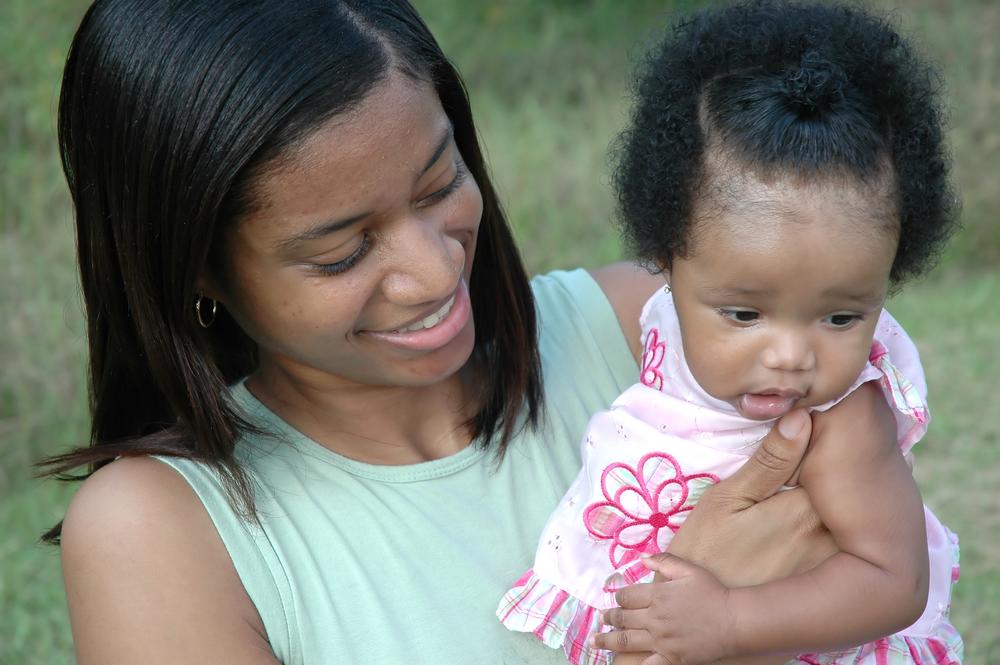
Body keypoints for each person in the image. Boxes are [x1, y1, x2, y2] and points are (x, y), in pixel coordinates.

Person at [44, 1, 899, 663]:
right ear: (196, 267)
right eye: (341, 252)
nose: (432, 270)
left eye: (437, 182)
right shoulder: (157, 533)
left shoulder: (665, 335)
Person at [497, 2, 962, 664]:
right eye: (744, 314)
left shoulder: (844, 417)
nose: (791, 355)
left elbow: (895, 581)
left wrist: (732, 620)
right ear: (667, 259)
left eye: (841, 316)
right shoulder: (658, 313)